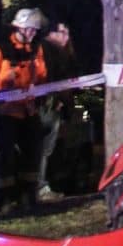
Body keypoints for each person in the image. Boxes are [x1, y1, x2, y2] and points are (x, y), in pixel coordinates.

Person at [0, 8, 48, 211]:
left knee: (32, 154)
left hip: (29, 111)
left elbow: (43, 75)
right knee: (4, 156)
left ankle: (28, 195)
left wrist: (40, 96)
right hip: (6, 113)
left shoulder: (36, 50)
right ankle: (4, 199)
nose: (32, 34)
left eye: (35, 31)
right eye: (29, 30)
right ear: (19, 27)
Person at [37, 21, 77, 201]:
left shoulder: (58, 51)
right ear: (50, 33)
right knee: (43, 150)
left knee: (47, 151)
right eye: (61, 32)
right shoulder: (50, 51)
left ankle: (42, 186)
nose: (65, 37)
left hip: (51, 106)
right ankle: (40, 188)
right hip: (45, 107)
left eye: (67, 33)